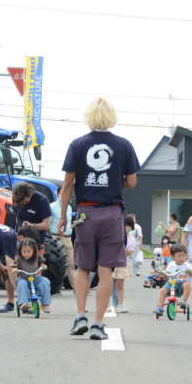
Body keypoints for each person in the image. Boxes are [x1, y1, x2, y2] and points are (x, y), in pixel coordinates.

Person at [58, 97, 140, 340]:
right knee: (106, 270)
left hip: (85, 212)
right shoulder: (124, 145)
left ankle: (80, 315)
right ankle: (98, 323)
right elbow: (132, 181)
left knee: (82, 267)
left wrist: (63, 215)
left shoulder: (77, 144)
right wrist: (117, 182)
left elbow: (67, 184)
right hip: (112, 213)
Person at [0, 226, 43, 313]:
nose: (29, 244)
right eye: (28, 241)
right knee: (9, 274)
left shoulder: (21, 243)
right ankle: (12, 303)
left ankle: (27, 301)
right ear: (21, 237)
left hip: (10, 253)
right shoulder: (11, 240)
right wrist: (19, 291)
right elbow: (11, 267)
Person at [154, 244, 192, 318]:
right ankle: (159, 308)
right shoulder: (171, 264)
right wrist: (162, 273)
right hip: (172, 282)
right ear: (173, 257)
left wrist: (189, 271)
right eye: (179, 256)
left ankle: (183, 301)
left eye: (183, 255)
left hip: (182, 285)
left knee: (187, 285)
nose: (181, 258)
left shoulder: (187, 265)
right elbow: (167, 273)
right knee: (162, 290)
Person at [14, 237, 52, 313]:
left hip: (34, 278)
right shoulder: (18, 258)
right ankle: (23, 304)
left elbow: (42, 264)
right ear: (20, 251)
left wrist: (43, 266)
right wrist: (14, 269)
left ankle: (45, 304)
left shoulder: (37, 257)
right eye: (24, 251)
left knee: (45, 281)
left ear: (34, 251)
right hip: (23, 278)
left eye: (29, 252)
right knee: (22, 284)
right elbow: (14, 266)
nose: (26, 254)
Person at [50, 183, 75, 289]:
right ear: (58, 193)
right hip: (55, 237)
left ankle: (76, 287)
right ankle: (55, 287)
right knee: (55, 264)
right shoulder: (51, 206)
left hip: (68, 238)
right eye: (62, 193)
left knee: (71, 263)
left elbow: (69, 222)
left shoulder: (69, 207)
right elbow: (48, 222)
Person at [110, 216, 136, 314]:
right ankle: (112, 304)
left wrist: (122, 250)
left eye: (129, 227)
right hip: (112, 261)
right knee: (110, 284)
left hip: (122, 263)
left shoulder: (131, 237)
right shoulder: (115, 234)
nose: (127, 228)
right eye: (126, 226)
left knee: (120, 285)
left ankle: (120, 304)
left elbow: (130, 252)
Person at [13, 182, 52, 248]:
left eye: (25, 202)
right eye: (20, 203)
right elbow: (17, 216)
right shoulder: (17, 198)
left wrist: (32, 226)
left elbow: (46, 225)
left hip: (36, 239)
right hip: (20, 237)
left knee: (35, 257)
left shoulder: (42, 201)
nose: (23, 204)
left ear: (30, 194)